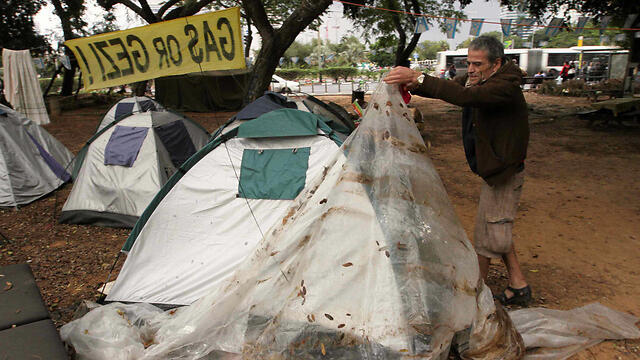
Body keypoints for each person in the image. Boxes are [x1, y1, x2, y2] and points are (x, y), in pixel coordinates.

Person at [384, 35, 531, 306]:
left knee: (488, 238)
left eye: (477, 64)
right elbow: (452, 88)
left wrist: (419, 76)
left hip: (504, 171)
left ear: (497, 63)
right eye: (469, 63)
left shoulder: (504, 86)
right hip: (493, 168)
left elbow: (466, 97)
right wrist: (413, 85)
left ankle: (476, 297)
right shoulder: (482, 79)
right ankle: (518, 284)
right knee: (495, 225)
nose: (471, 69)